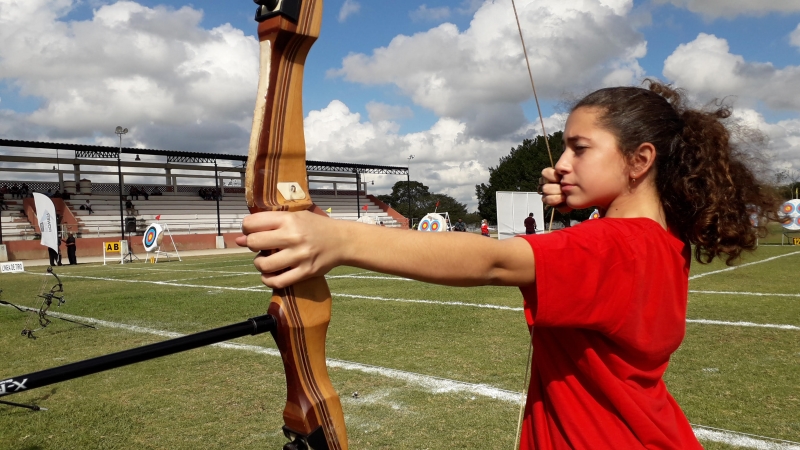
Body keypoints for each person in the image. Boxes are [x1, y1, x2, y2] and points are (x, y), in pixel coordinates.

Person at [236, 80, 777, 449]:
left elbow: (494, 260)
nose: (560, 164)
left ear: (640, 160)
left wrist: (337, 240)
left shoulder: (615, 246)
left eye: (579, 149)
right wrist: (589, 200)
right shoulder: (662, 239)